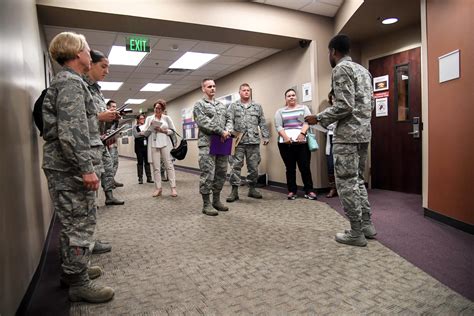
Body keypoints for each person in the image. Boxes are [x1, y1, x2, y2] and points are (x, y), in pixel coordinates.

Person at [42, 32, 114, 303]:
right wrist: (87, 169)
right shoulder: (71, 84)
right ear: (76, 53)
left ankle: (72, 272)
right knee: (79, 227)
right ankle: (78, 283)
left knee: (73, 224)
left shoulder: (70, 82)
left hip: (65, 167)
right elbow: (72, 133)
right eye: (86, 48)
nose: (90, 52)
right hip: (71, 169)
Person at [305, 34, 376, 247]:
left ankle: (356, 232)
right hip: (363, 134)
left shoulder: (341, 69)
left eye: (329, 52)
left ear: (333, 51)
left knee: (346, 183)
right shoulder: (365, 71)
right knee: (357, 181)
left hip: (347, 137)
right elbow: (369, 105)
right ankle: (366, 225)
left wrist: (318, 118)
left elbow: (344, 105)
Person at [85, 50, 124, 210]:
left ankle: (109, 196)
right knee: (93, 174)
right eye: (103, 66)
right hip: (87, 143)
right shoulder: (81, 86)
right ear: (91, 64)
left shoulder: (97, 91)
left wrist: (111, 118)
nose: (106, 71)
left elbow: (100, 120)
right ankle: (91, 204)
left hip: (98, 141)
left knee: (108, 168)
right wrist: (100, 117)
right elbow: (74, 121)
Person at [226, 83, 269, 202]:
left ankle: (252, 189)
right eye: (243, 90)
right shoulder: (233, 106)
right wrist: (229, 131)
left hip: (253, 141)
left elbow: (262, 122)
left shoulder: (257, 106)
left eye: (248, 90)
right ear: (239, 92)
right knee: (235, 166)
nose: (246, 92)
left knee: (253, 167)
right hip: (237, 142)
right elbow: (229, 120)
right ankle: (234, 191)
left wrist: (265, 136)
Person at [193, 78, 231, 216]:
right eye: (209, 86)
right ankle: (206, 204)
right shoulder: (199, 105)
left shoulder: (221, 105)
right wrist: (221, 131)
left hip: (222, 143)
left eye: (214, 86)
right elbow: (203, 122)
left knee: (221, 173)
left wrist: (227, 131)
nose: (213, 88)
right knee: (208, 174)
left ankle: (216, 200)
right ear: (203, 89)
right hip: (207, 144)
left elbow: (229, 120)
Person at [274, 88, 317, 200]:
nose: (291, 97)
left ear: (296, 97)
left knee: (305, 167)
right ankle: (292, 191)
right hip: (286, 143)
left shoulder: (303, 108)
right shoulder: (280, 111)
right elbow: (278, 126)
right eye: (289, 96)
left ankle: (309, 190)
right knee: (290, 168)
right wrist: (286, 137)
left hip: (302, 142)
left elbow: (307, 122)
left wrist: (302, 133)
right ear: (285, 98)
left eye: (293, 95)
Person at [142, 99, 177, 197]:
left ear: (163, 109)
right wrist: (147, 129)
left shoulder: (167, 118)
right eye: (156, 108)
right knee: (156, 167)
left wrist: (162, 130)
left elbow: (173, 130)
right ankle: (158, 188)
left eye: (159, 109)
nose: (157, 110)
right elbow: (145, 129)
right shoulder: (149, 118)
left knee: (169, 166)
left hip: (165, 143)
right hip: (153, 143)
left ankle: (173, 188)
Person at [104, 100, 123, 188]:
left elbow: (115, 129)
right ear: (108, 107)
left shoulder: (115, 118)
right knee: (110, 163)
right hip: (107, 144)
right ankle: (109, 182)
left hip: (114, 143)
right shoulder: (105, 116)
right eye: (113, 106)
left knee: (115, 162)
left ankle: (112, 179)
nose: (115, 108)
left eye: (115, 107)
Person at [132, 114, 153, 184]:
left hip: (146, 147)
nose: (142, 120)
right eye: (140, 119)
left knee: (147, 162)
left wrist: (141, 133)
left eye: (143, 118)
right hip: (138, 148)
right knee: (140, 162)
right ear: (138, 120)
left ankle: (149, 178)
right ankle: (140, 178)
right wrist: (142, 133)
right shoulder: (135, 127)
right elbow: (136, 135)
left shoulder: (147, 126)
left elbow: (148, 134)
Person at [325, 91, 337, 198]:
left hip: (342, 140)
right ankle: (333, 188)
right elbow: (324, 123)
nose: (334, 101)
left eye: (336, 98)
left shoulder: (346, 110)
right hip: (330, 139)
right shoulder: (328, 111)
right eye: (332, 99)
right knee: (330, 165)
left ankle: (343, 189)